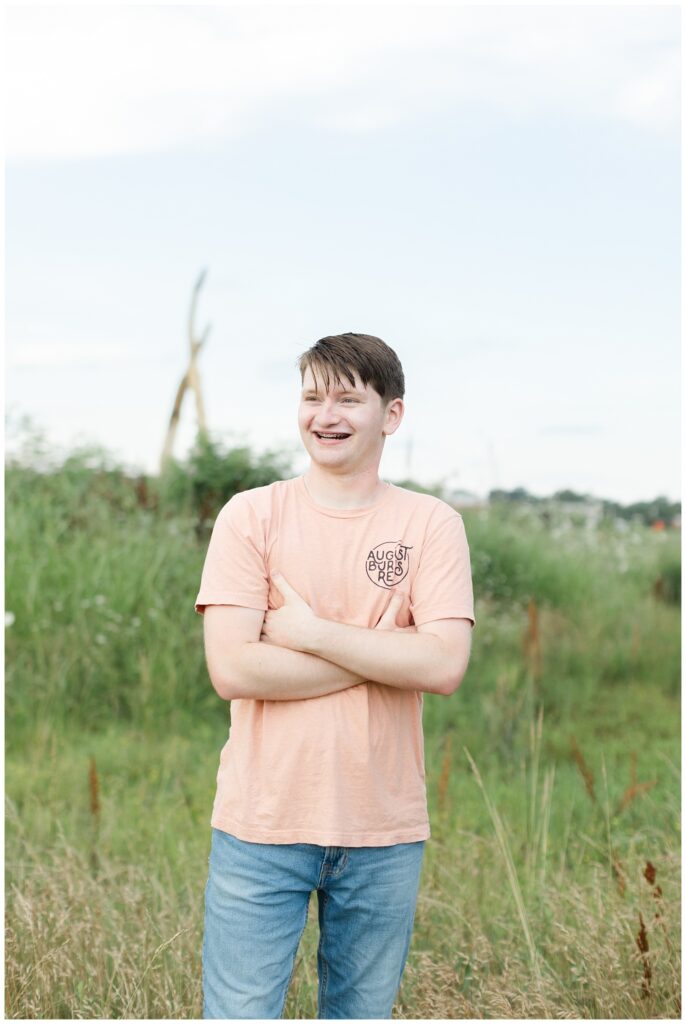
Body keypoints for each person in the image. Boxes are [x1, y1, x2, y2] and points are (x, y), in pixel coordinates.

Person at [194, 332, 475, 1019]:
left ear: (392, 414)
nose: (326, 414)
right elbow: (232, 667)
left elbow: (442, 665)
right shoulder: (251, 516)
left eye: (348, 397)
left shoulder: (431, 524)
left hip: (382, 830)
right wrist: (383, 653)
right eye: (313, 396)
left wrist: (309, 634)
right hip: (262, 823)